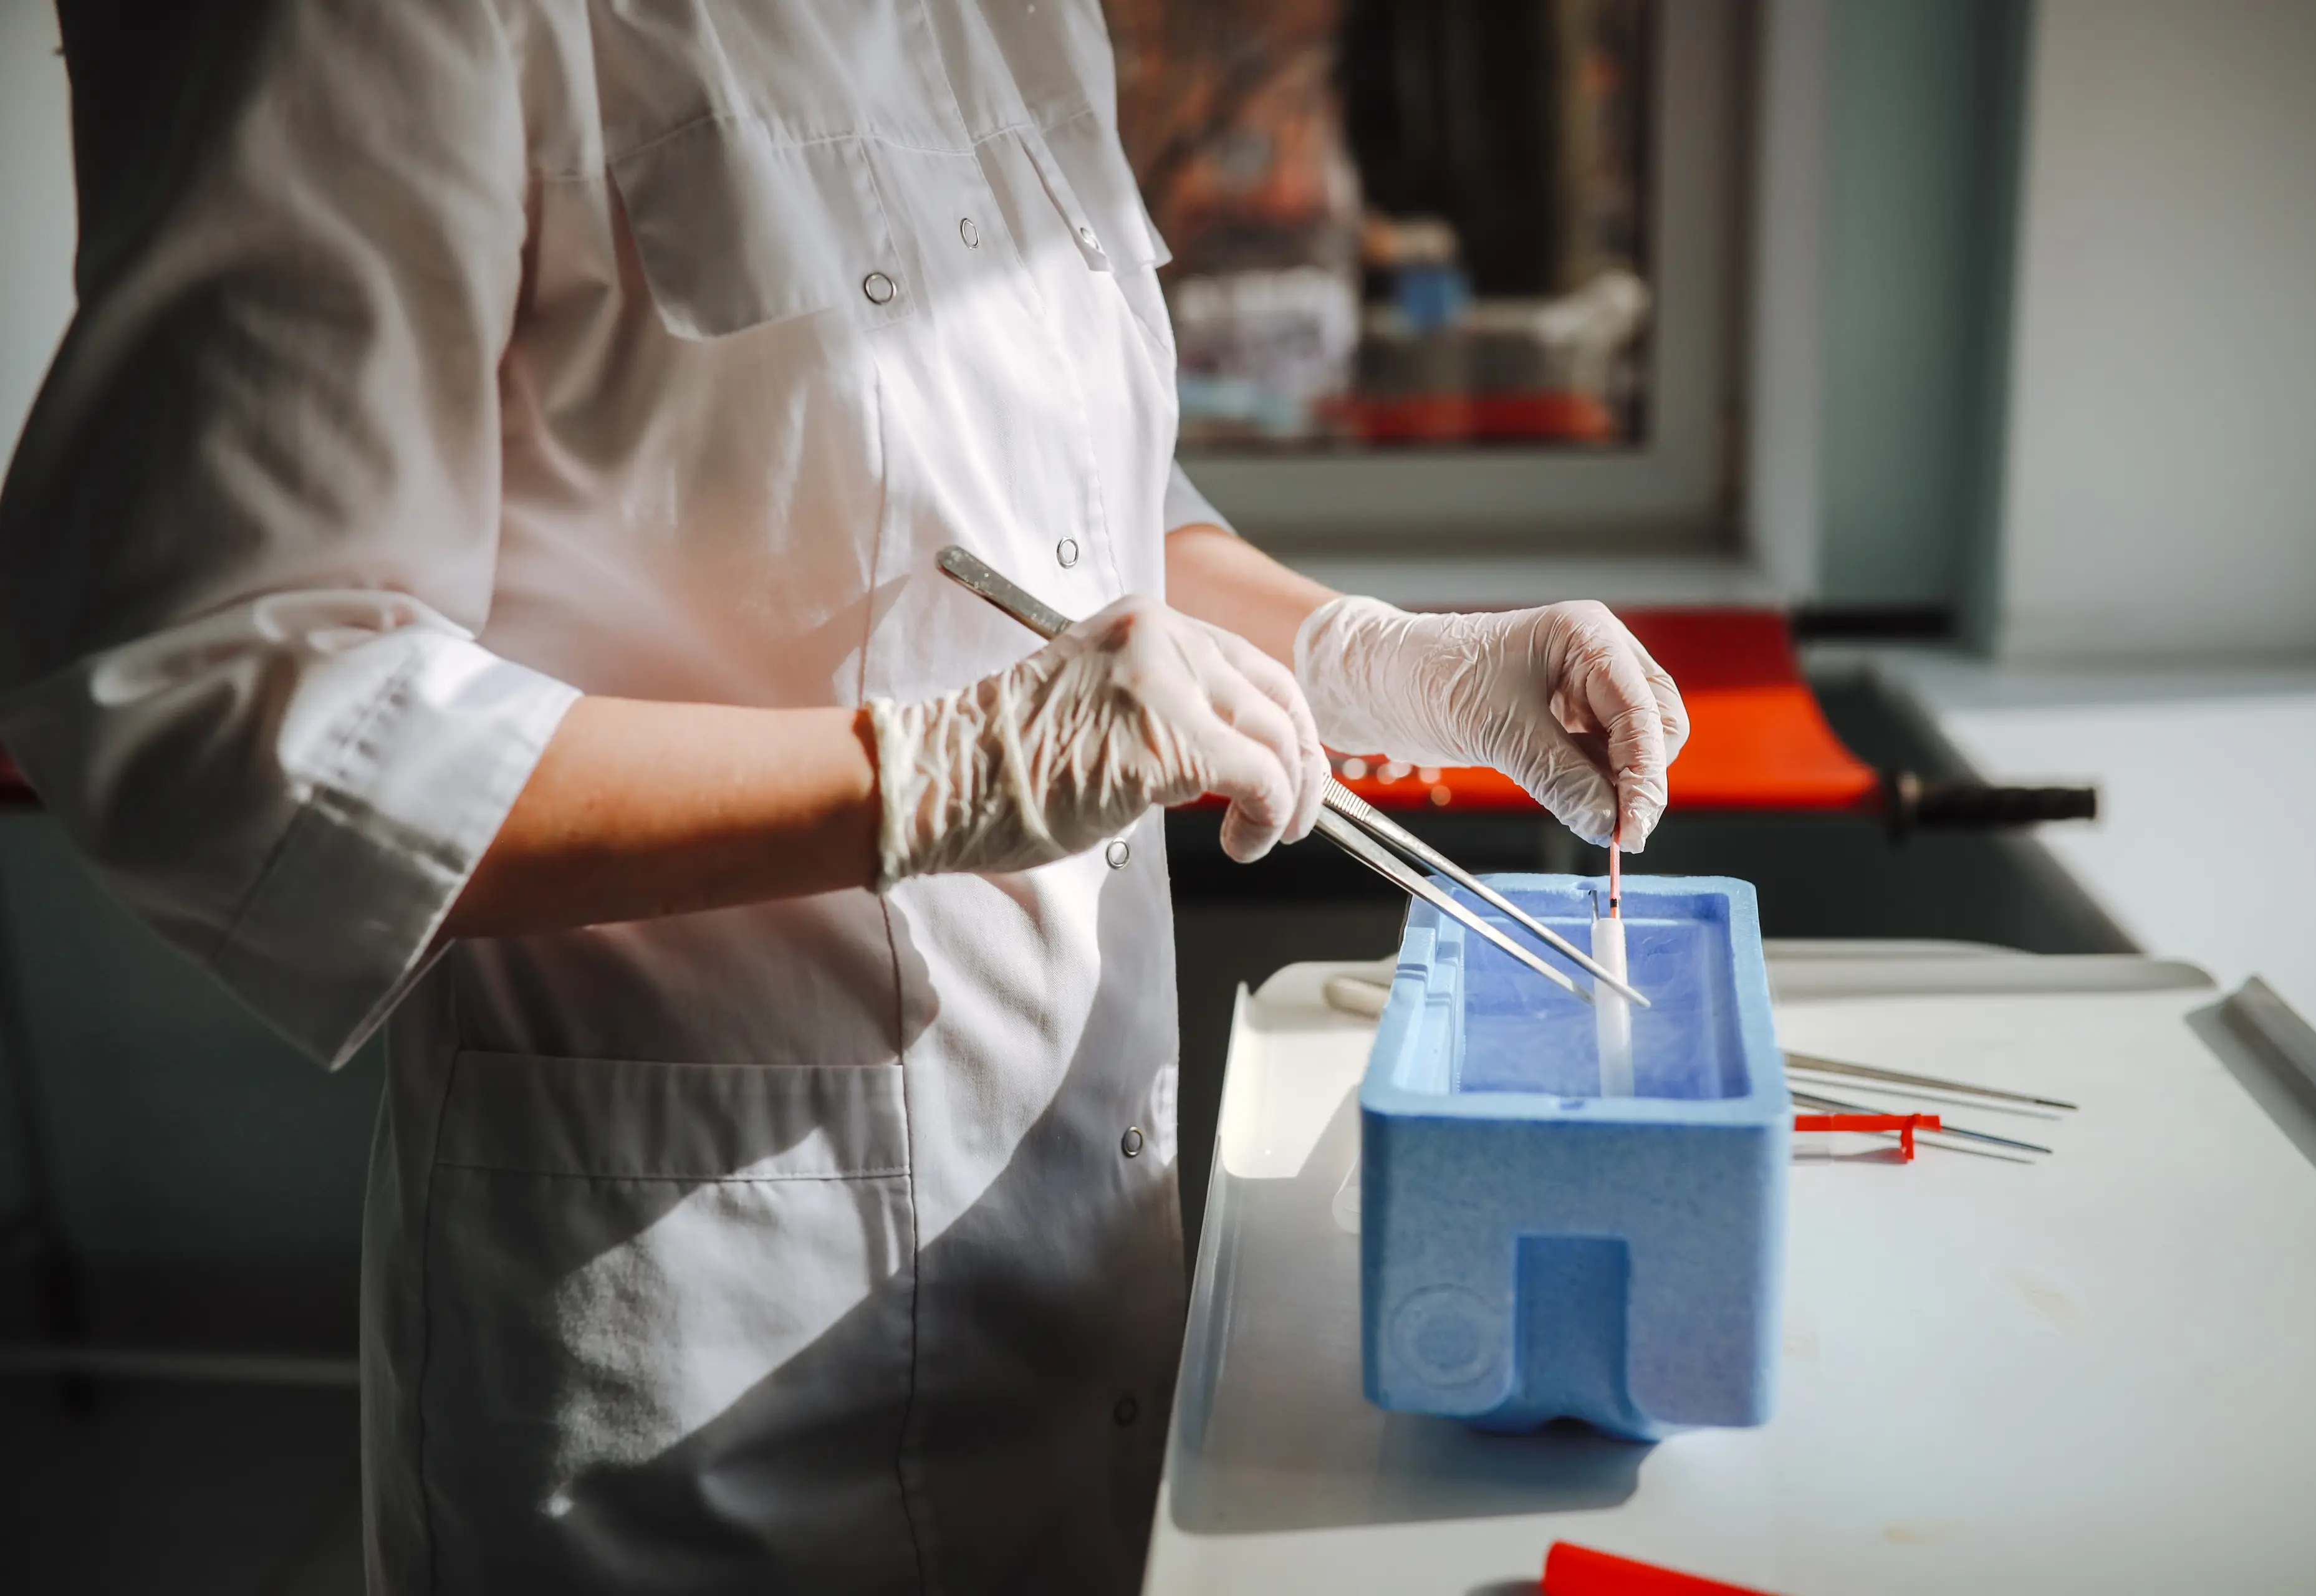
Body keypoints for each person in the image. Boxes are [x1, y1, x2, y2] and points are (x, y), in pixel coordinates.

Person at [0, 2, 1686, 1590]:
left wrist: (1378, 660)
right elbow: (221, 695)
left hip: (1087, 1274)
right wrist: (930, 775)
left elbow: (1049, 516)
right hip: (703, 1359)